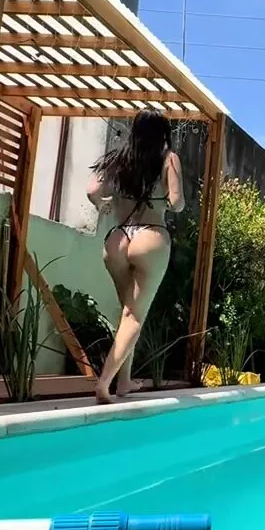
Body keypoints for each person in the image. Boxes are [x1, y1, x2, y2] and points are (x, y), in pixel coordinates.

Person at [86, 109, 185, 404]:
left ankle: (124, 381)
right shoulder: (168, 159)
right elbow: (178, 203)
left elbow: (92, 189)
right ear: (163, 134)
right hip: (150, 237)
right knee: (134, 315)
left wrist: (102, 204)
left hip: (117, 239)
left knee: (126, 312)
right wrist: (162, 200)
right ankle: (104, 383)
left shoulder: (119, 158)